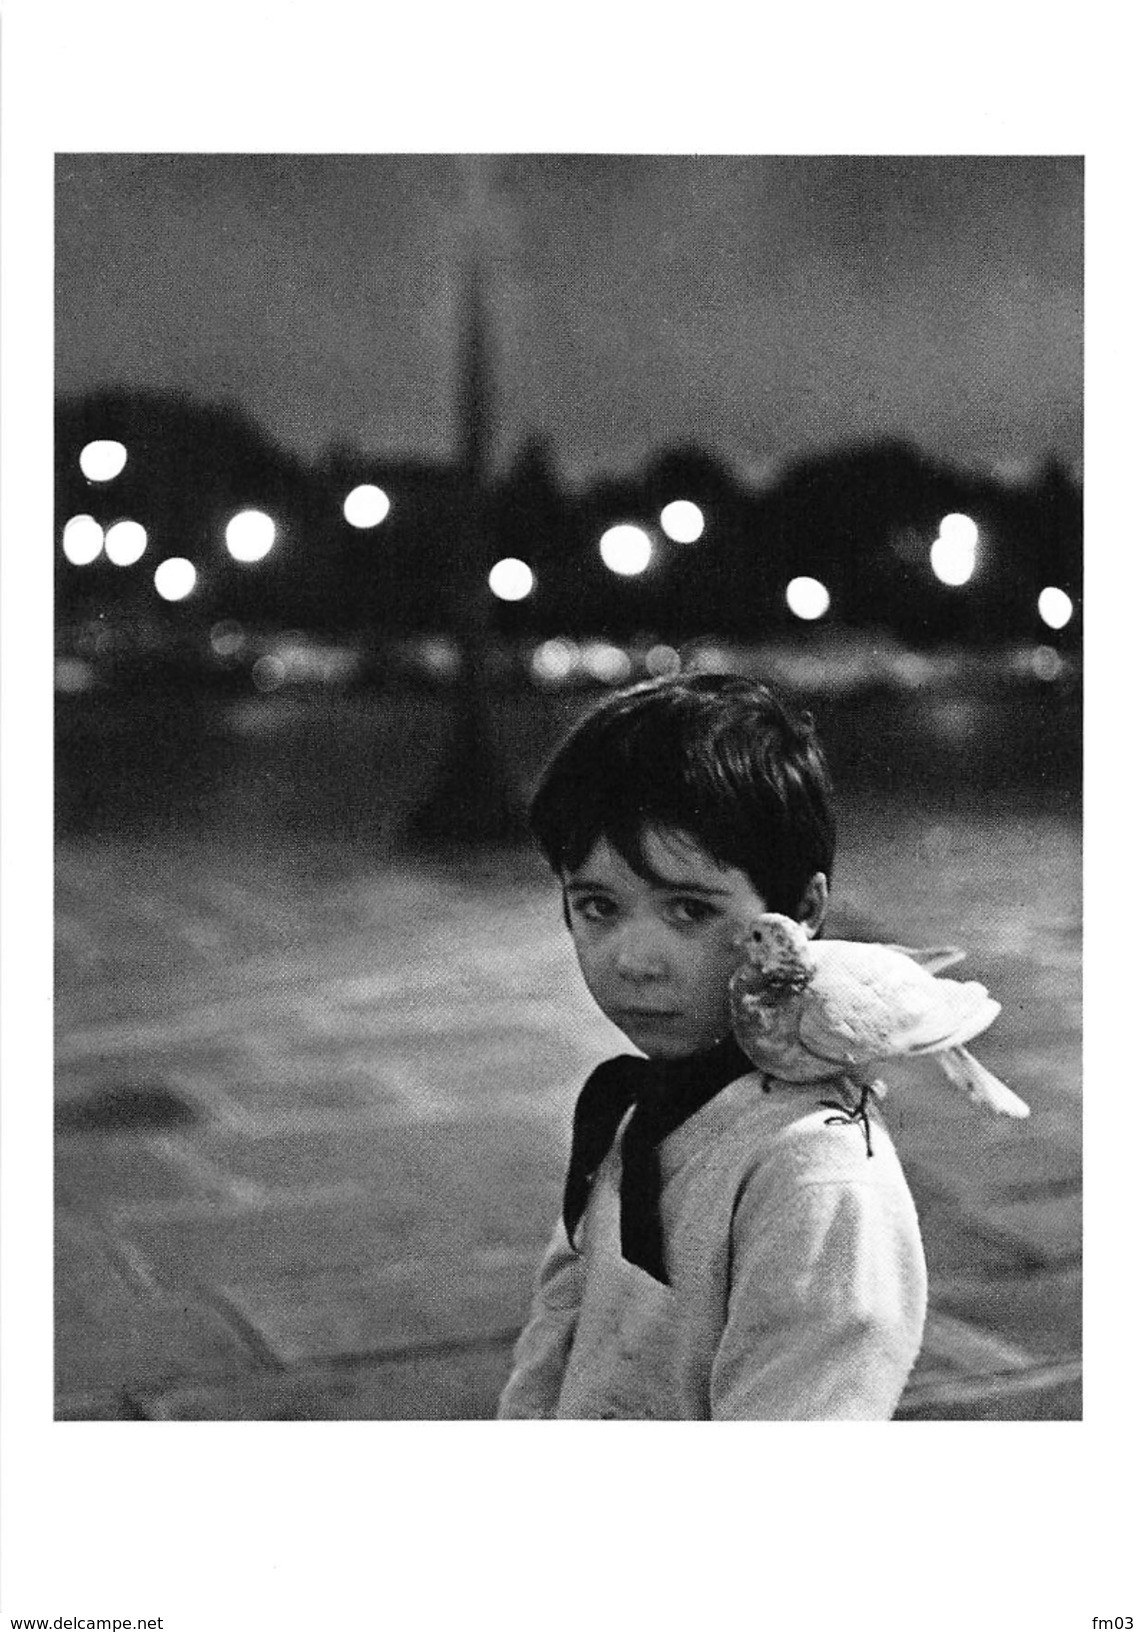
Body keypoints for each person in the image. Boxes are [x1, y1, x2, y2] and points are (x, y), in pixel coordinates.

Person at [496, 672, 927, 1420]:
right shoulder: (638, 1103)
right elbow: (561, 1317)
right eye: (597, 906)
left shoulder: (814, 1175)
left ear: (801, 911)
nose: (633, 959)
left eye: (688, 910)